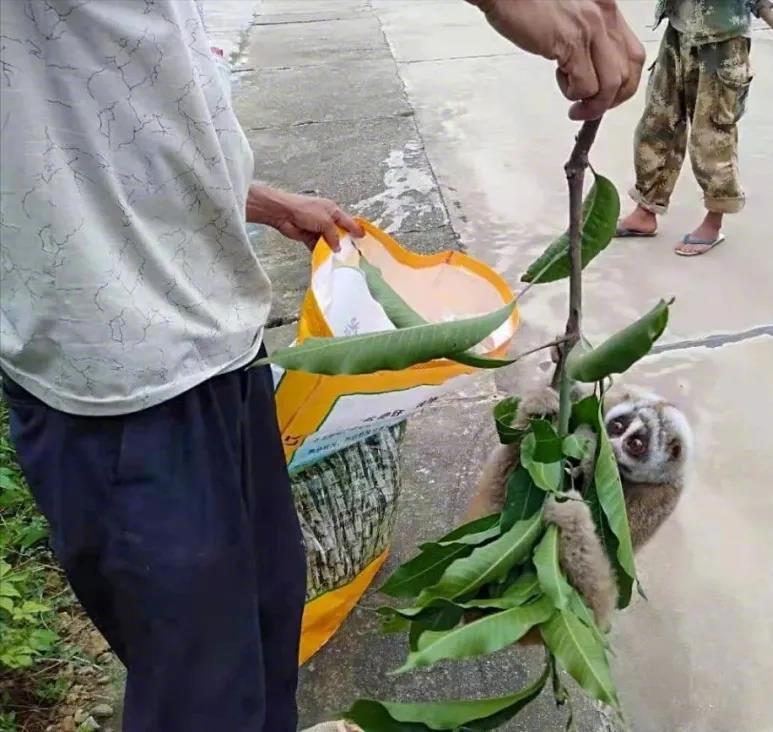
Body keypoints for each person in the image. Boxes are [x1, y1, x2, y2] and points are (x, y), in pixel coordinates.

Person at [0, 1, 643, 730]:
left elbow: (86, 84)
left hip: (215, 351)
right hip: (126, 392)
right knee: (201, 696)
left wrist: (242, 196)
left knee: (270, 625)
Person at [616, 0, 772, 255]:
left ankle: (714, 220)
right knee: (658, 121)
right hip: (680, 28)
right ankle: (646, 209)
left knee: (711, 135)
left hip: (723, 39)